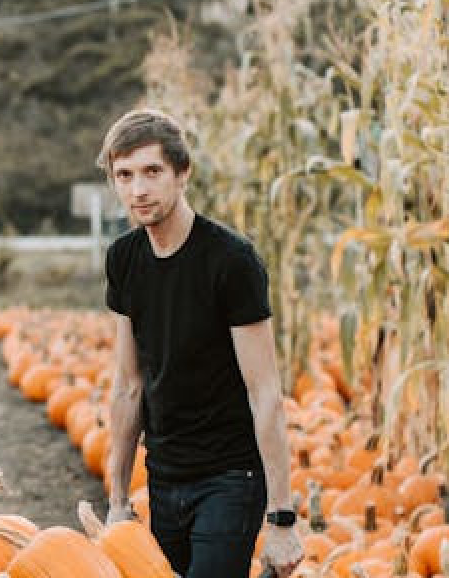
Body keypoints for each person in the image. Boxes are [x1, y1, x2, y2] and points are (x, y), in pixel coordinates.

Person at [99, 109, 303, 577]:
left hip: (230, 477)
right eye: (124, 176)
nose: (138, 190)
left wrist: (282, 517)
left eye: (152, 172)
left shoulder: (231, 261)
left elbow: (265, 393)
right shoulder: (123, 260)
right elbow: (128, 386)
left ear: (182, 172)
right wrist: (116, 500)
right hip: (164, 478)